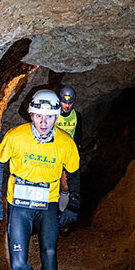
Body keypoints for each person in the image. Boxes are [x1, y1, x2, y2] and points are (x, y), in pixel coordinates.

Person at [0, 90, 81, 270]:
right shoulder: (16, 136)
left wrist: (73, 203)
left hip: (47, 203)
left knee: (49, 251)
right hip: (19, 204)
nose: (43, 122)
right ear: (31, 114)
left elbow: (73, 173)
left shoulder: (65, 143)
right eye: (39, 116)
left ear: (56, 117)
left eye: (49, 117)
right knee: (18, 262)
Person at [55, 85, 78, 213]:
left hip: (67, 154)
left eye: (70, 103)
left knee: (65, 186)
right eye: (64, 102)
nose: (67, 106)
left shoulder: (76, 116)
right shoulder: (54, 114)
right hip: (53, 152)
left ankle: (61, 213)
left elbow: (78, 136)